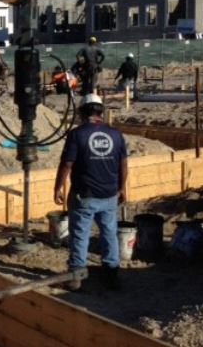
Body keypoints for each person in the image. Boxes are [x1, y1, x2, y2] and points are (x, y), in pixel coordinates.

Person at [54, 94, 128, 291]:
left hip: (84, 195)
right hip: (110, 195)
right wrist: (122, 188)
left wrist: (58, 187)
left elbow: (67, 164)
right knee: (109, 233)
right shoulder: (115, 134)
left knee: (80, 234)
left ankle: (77, 276)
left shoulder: (77, 134)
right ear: (100, 112)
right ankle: (111, 274)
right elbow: (123, 165)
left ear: (82, 112)